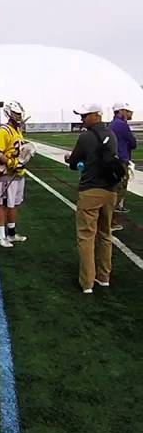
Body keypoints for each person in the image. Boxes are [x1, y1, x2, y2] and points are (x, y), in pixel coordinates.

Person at [65, 103, 121, 294]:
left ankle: (87, 282)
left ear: (96, 115)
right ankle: (104, 277)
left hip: (91, 190)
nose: (82, 119)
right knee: (105, 234)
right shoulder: (111, 134)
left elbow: (73, 162)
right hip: (110, 191)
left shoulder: (86, 136)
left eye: (84, 116)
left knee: (86, 236)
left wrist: (69, 159)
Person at [0, 101, 30, 248]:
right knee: (2, 204)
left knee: (14, 203)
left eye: (19, 114)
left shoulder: (17, 130)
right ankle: (1, 237)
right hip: (7, 174)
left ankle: (11, 233)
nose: (19, 116)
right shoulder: (4, 130)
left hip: (18, 174)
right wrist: (10, 163)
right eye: (16, 114)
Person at [109, 102, 136, 215]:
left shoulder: (112, 124)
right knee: (121, 185)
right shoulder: (121, 125)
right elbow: (133, 143)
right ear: (121, 111)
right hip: (121, 159)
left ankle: (115, 206)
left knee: (115, 185)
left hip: (114, 158)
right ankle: (112, 209)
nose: (130, 113)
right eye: (128, 111)